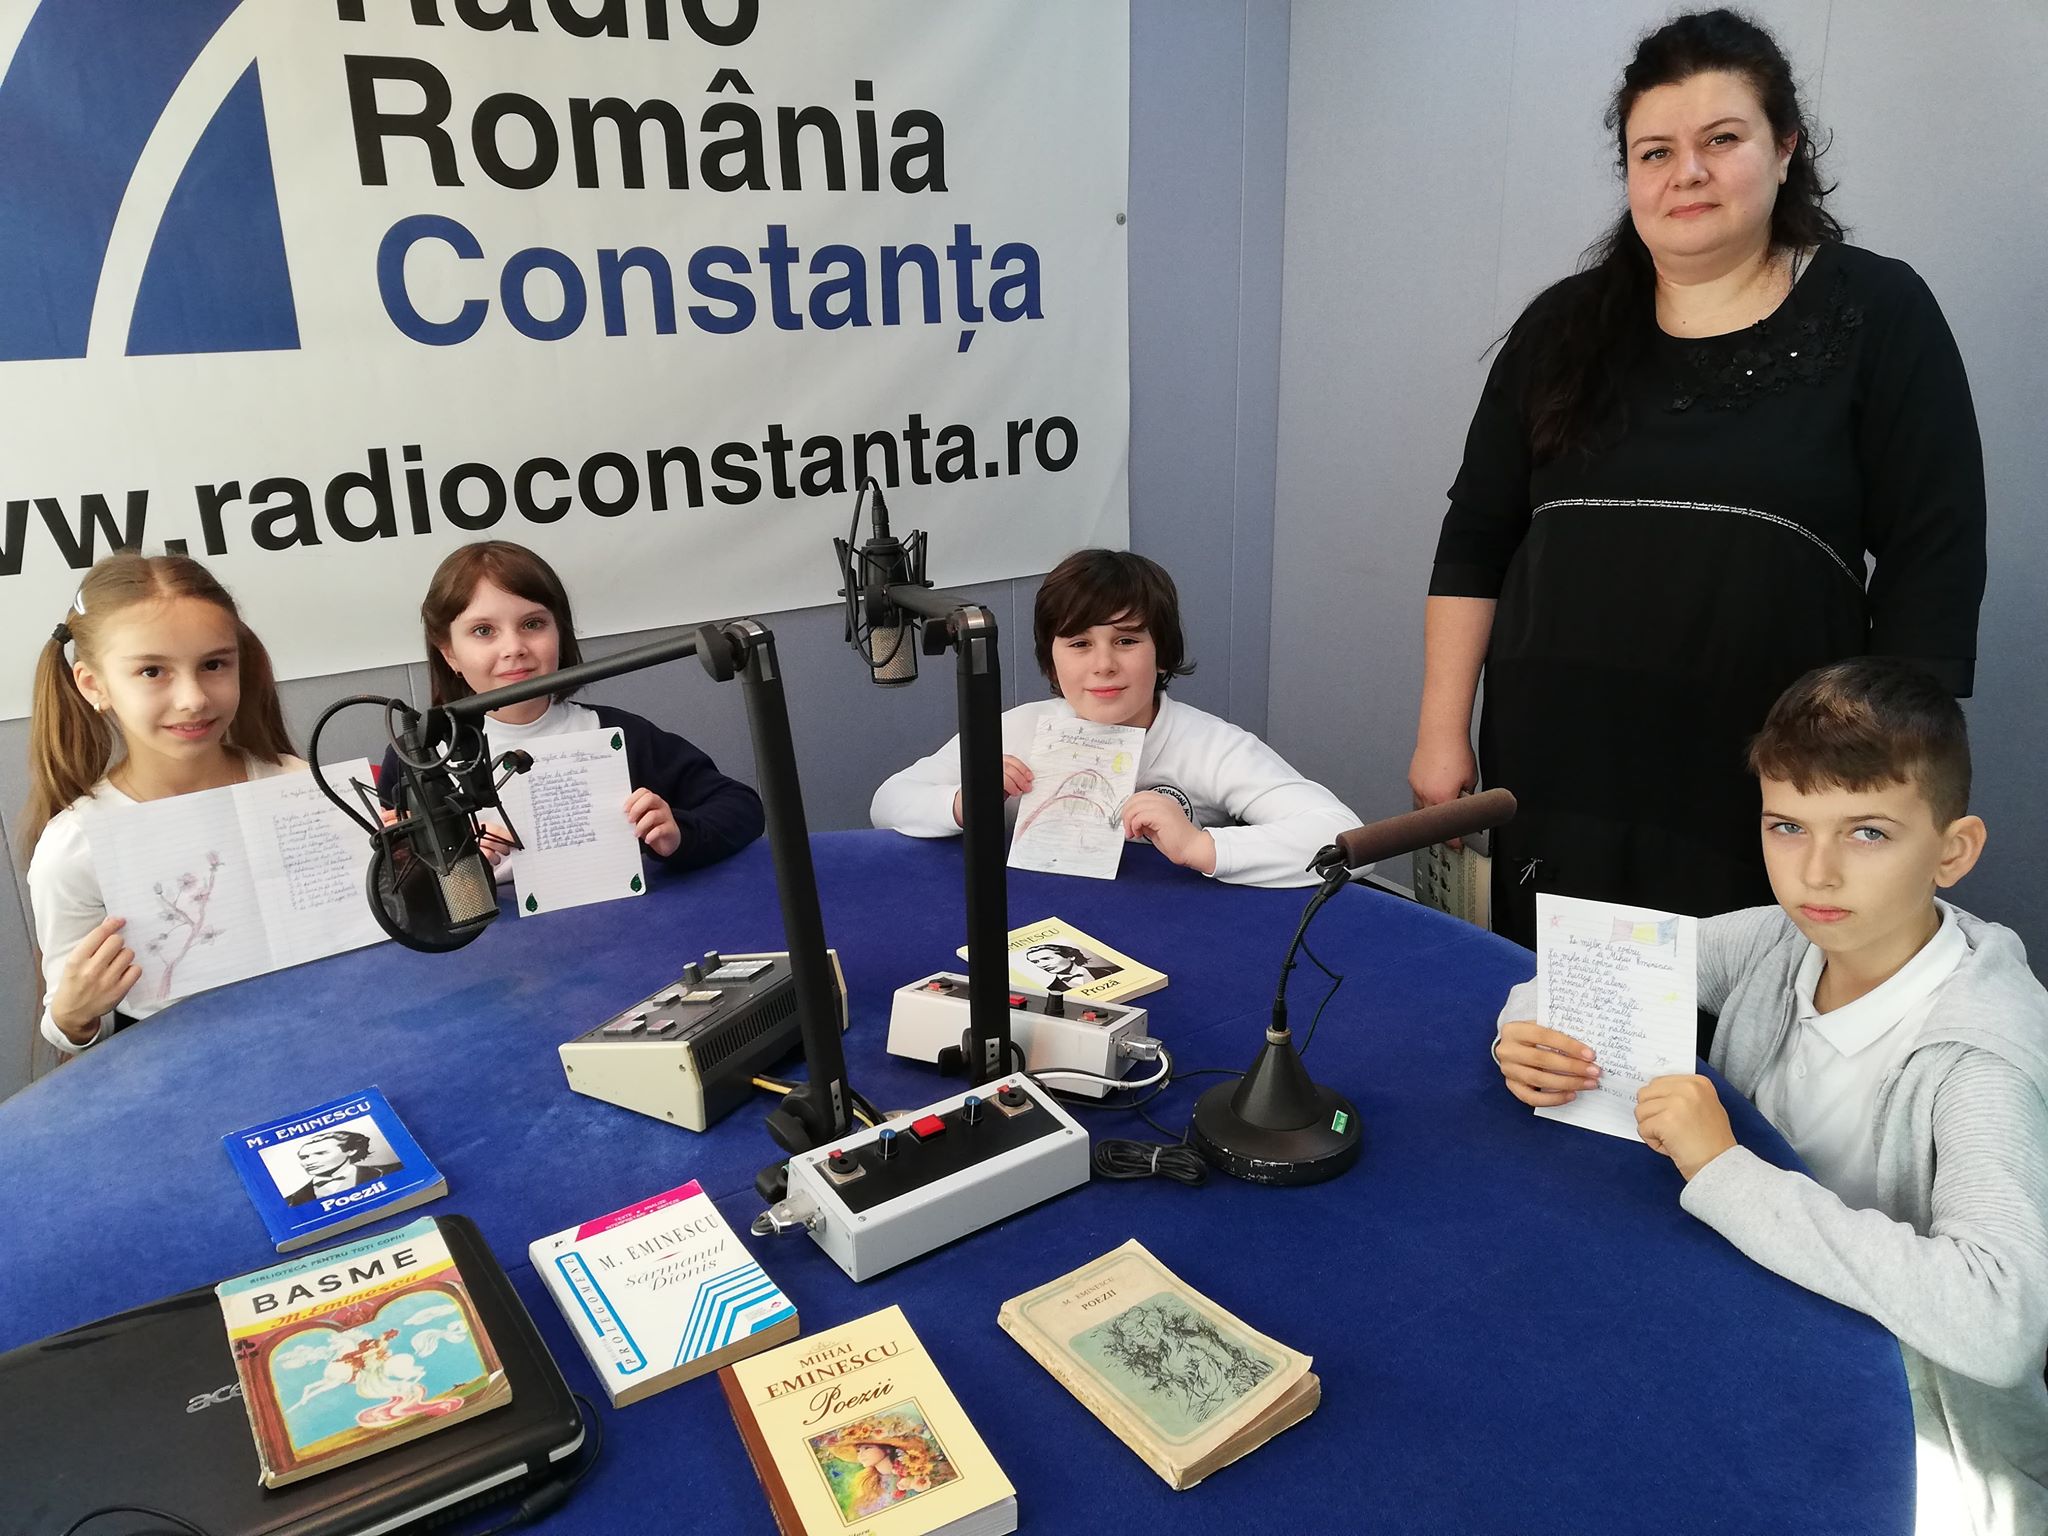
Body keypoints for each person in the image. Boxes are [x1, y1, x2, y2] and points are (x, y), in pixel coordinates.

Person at [1411, 9, 1986, 967]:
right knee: (1557, 1016)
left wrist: (1885, 775)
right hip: (1559, 754)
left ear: (1785, 147)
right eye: (1656, 152)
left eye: (1722, 140)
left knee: (1738, 1016)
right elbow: (1477, 536)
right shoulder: (1562, 328)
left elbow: (1937, 548)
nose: (1688, 173)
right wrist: (1442, 737)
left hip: (1771, 772)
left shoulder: (1877, 311)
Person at [1492, 659, 2048, 1536]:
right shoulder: (1780, 941)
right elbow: (1586, 966)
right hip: (1758, 1320)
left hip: (1911, 1440)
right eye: (1788, 827)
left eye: (1867, 833)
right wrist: (1527, 1033)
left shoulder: (1980, 1057)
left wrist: (1724, 1169)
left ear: (1953, 850)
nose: (1816, 873)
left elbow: (2000, 1321)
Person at [871, 548, 1356, 889]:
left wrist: (1202, 846)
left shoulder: (1212, 746)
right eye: (1080, 643)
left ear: (1162, 654)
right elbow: (888, 802)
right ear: (1051, 662)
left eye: (1126, 640)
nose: (1103, 664)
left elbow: (1344, 839)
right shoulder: (1017, 730)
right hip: (1032, 924)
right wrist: (963, 802)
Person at [22, 552, 301, 1054]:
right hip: (184, 1070)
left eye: (214, 664)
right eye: (152, 671)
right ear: (94, 685)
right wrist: (75, 1012)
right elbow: (70, 1026)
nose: (193, 698)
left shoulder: (297, 786)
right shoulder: (75, 847)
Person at [380, 541, 763, 880]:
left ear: (560, 633)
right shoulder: (416, 757)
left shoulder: (615, 734)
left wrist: (679, 834)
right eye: (484, 631)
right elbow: (395, 884)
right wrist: (427, 863)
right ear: (448, 652)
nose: (514, 648)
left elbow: (742, 807)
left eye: (533, 624)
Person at [282, 1129, 402, 1206]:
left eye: (321, 1153)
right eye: (304, 1157)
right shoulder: (290, 1202)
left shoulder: (393, 1171)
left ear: (351, 1151)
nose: (309, 1162)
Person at [1023, 941, 1118, 992]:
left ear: (1071, 956)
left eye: (1046, 958)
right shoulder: (1051, 991)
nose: (1042, 965)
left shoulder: (1112, 971)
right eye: (1036, 962)